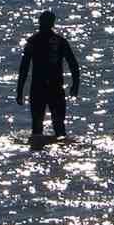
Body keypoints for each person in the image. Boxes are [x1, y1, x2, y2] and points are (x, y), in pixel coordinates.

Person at [16, 10, 81, 140]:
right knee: (57, 126)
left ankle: (37, 152)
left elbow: (24, 68)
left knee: (39, 127)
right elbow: (73, 65)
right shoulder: (58, 41)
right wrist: (75, 84)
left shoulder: (34, 41)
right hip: (53, 88)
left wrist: (20, 91)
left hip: (41, 89)